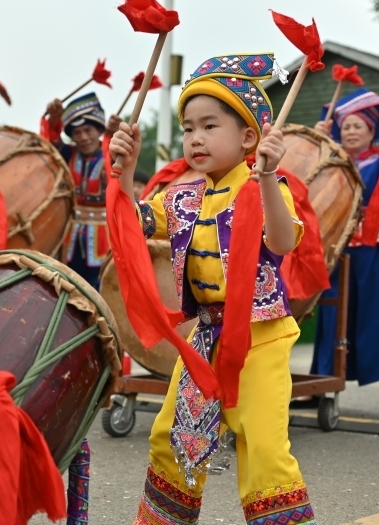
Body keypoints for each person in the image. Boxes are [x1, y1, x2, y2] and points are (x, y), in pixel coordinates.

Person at [110, 53, 317, 525]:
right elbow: (130, 222)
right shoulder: (181, 196)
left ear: (249, 137)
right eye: (188, 128)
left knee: (263, 448)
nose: (195, 138)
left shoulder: (269, 187)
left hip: (259, 336)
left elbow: (283, 242)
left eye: (209, 125)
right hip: (205, 340)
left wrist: (265, 176)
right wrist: (124, 169)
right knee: (171, 439)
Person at [300, 88, 379, 422]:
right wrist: (317, 136)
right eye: (346, 126)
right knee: (330, 318)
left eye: (358, 127)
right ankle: (320, 387)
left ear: (371, 132)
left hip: (375, 245)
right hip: (336, 246)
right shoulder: (330, 161)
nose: (351, 131)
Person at [41, 94, 121, 289]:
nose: (84, 137)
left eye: (88, 130)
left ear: (99, 130)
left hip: (105, 237)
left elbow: (120, 154)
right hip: (70, 236)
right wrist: (53, 119)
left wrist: (114, 133)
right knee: (68, 284)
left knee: (101, 286)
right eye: (77, 133)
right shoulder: (68, 154)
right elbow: (51, 141)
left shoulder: (110, 154)